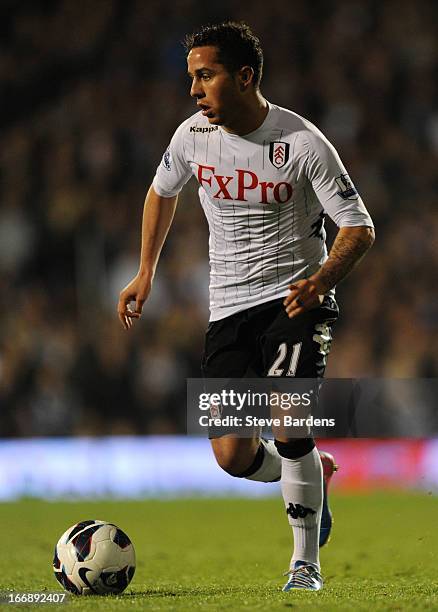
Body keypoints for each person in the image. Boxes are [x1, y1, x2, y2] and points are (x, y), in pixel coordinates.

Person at [118, 21, 374, 592]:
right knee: (233, 456)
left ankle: (304, 566)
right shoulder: (190, 137)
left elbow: (359, 227)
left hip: (294, 300)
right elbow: (162, 191)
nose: (193, 90)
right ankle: (314, 474)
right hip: (228, 307)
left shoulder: (302, 143)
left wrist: (321, 280)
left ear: (245, 76)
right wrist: (145, 272)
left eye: (205, 76)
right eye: (191, 77)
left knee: (290, 423)